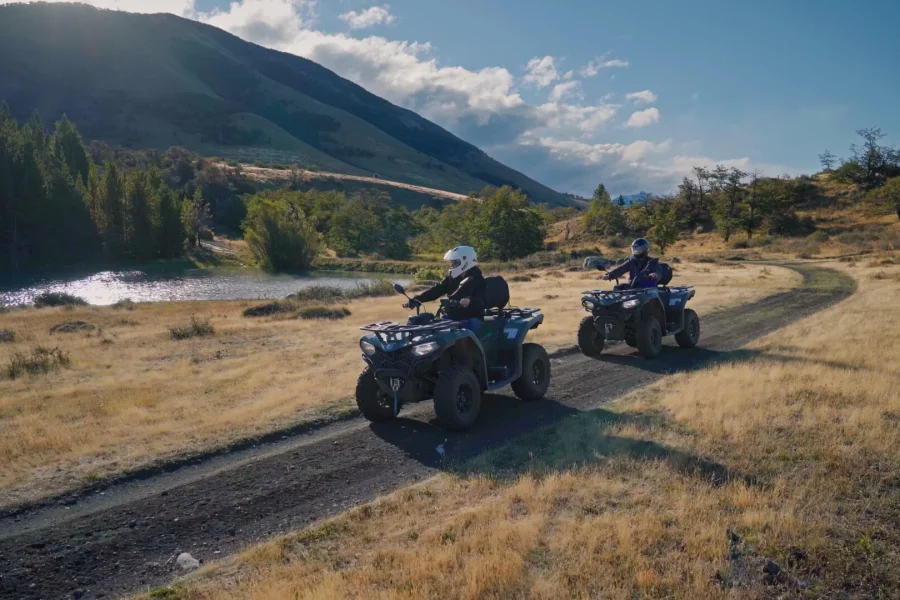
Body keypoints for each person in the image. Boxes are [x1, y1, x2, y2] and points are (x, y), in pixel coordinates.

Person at [405, 246, 486, 324]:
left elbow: (482, 302)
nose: (451, 266)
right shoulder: (452, 278)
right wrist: (418, 299)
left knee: (461, 336)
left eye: (454, 262)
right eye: (451, 262)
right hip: (452, 318)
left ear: (465, 261)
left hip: (471, 318)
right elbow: (437, 290)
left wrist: (470, 301)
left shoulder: (478, 279)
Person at [588, 238, 662, 289]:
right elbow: (620, 269)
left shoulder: (652, 261)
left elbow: (658, 272)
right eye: (635, 249)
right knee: (618, 289)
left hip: (648, 289)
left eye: (638, 250)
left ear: (645, 249)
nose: (636, 251)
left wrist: (655, 275)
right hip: (633, 287)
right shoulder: (631, 261)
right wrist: (609, 275)